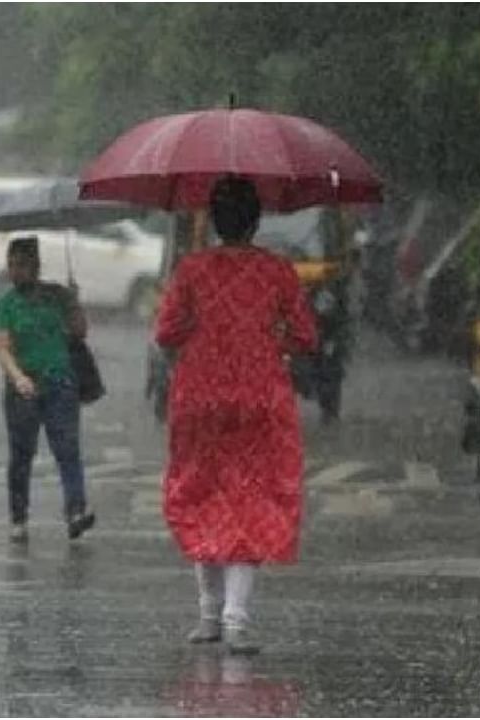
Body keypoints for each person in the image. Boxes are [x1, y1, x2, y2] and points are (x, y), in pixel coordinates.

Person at [154, 176, 318, 655]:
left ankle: (208, 615)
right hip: (260, 394)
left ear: (215, 220)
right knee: (252, 498)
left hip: (199, 395)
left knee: (203, 494)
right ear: (257, 220)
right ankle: (237, 619)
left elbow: (165, 333)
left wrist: (204, 332)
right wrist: (270, 340)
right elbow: (307, 337)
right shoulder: (277, 271)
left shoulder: (192, 269)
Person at [0, 235, 94, 544]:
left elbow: (80, 332)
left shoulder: (58, 296)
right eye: (11, 264)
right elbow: (2, 348)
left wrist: (75, 303)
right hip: (22, 388)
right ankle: (19, 517)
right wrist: (18, 377)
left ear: (36, 265)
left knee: (67, 450)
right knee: (21, 455)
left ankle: (76, 511)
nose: (15, 271)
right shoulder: (6, 304)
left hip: (60, 383)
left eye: (21, 264)